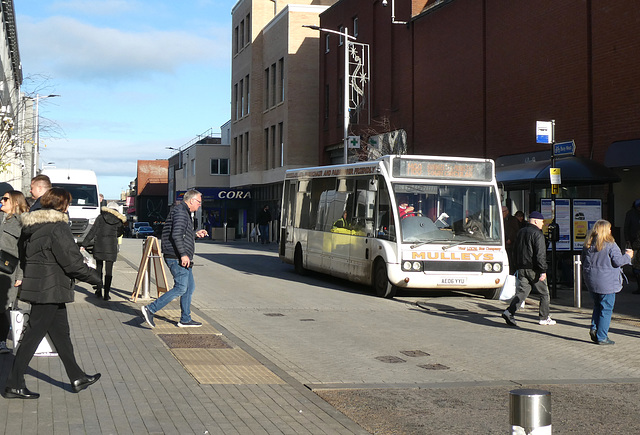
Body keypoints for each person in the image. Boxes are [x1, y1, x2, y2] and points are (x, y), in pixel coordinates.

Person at [4, 188, 102, 399]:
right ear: (62, 205)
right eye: (68, 203)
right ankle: (14, 383)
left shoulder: (33, 226)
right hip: (50, 289)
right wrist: (95, 278)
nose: (69, 207)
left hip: (45, 288)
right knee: (32, 336)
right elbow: (72, 262)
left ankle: (77, 377)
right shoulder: (58, 227)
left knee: (61, 334)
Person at [141, 190, 208, 329]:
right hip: (176, 256)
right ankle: (150, 309)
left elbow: (182, 234)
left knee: (189, 288)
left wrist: (195, 234)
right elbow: (176, 235)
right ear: (191, 201)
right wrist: (183, 254)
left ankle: (185, 319)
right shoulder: (181, 212)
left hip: (180, 255)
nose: (200, 205)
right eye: (199, 202)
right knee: (181, 287)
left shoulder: (183, 212)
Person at [582, 220, 633, 345]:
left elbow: (584, 260)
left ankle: (594, 329)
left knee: (597, 305)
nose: (611, 231)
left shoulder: (588, 244)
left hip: (592, 280)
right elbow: (618, 262)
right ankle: (602, 336)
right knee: (606, 309)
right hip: (607, 282)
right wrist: (628, 256)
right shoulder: (611, 244)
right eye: (609, 229)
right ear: (605, 231)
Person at [502, 211, 556, 327]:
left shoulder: (520, 232)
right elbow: (540, 254)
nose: (543, 224)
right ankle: (544, 317)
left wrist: (516, 265)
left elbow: (515, 250)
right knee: (544, 293)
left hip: (521, 268)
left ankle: (509, 311)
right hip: (534, 269)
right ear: (536, 221)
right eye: (542, 222)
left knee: (523, 292)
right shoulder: (538, 234)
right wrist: (543, 270)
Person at [0, 190, 28, 354]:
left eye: (5, 199)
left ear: (15, 202)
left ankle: (2, 342)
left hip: (9, 271)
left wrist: (20, 275)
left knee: (3, 307)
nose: (1, 201)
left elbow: (23, 252)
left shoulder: (21, 222)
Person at [80, 202, 126, 301]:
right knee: (109, 271)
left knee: (99, 269)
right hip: (111, 247)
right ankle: (107, 294)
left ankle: (99, 291)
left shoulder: (100, 217)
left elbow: (93, 231)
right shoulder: (119, 220)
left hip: (99, 245)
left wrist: (84, 244)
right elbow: (119, 233)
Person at [503, 206, 521, 274]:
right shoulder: (502, 219)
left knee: (510, 260)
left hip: (510, 244)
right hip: (504, 243)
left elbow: (516, 231)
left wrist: (511, 239)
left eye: (502, 212)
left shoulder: (512, 220)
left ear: (506, 212)